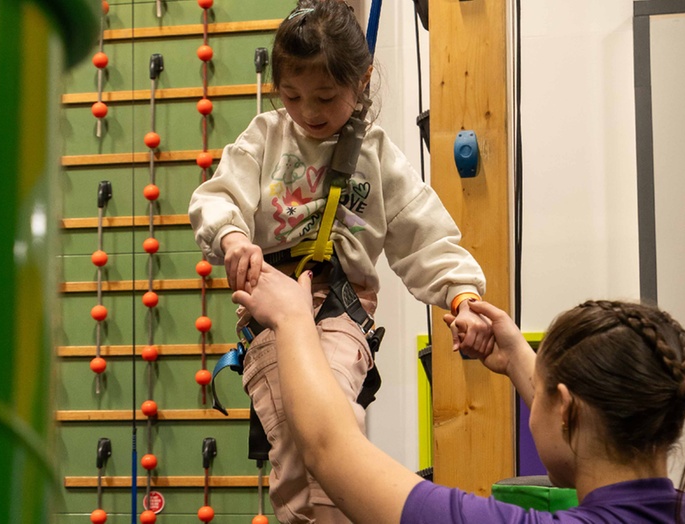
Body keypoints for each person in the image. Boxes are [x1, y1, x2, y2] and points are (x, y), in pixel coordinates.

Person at [188, 1, 491, 521]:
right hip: (272, 308)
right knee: (291, 444)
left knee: (327, 425)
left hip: (340, 311)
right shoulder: (266, 138)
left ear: (363, 80)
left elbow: (425, 235)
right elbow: (217, 197)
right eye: (292, 96)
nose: (308, 111)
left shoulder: (376, 156)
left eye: (325, 97)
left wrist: (462, 294)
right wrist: (233, 237)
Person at [231, 263, 685, 524]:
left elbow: (330, 449)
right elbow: (574, 433)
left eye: (540, 393)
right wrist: (522, 360)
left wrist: (295, 320)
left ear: (566, 409)